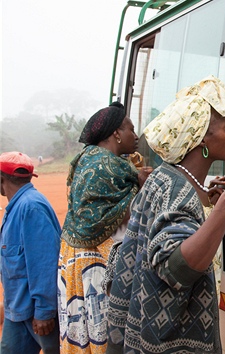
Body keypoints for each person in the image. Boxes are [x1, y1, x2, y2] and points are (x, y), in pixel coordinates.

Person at [107, 75, 225, 353]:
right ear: (201, 139)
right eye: (223, 128)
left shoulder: (170, 177)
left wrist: (217, 205)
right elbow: (177, 269)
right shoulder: (175, 190)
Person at [58, 102, 152, 353]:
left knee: (86, 335)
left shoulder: (90, 159)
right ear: (116, 134)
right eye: (131, 129)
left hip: (81, 263)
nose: (136, 135)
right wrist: (142, 187)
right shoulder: (108, 167)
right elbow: (116, 214)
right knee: (107, 336)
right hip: (96, 269)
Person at [0, 151, 61, 353]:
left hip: (36, 314)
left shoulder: (31, 207)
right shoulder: (15, 208)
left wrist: (44, 312)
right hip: (17, 311)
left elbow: (45, 263)